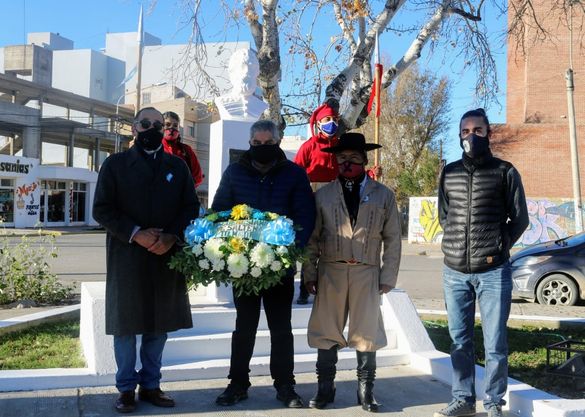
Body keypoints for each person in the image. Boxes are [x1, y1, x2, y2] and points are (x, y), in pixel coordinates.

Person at [93, 107, 199, 414]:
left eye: (159, 124)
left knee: (158, 325)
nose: (152, 128)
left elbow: (190, 208)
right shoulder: (115, 165)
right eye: (146, 123)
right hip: (127, 257)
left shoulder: (177, 167)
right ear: (134, 128)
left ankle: (151, 385)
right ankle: (126, 389)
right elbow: (101, 209)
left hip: (165, 257)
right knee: (125, 327)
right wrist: (136, 233)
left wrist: (171, 237)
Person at [212, 119, 316, 409]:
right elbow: (219, 212)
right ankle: (238, 384)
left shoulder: (294, 174)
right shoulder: (234, 172)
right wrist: (229, 248)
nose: (261, 149)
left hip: (279, 267)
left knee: (281, 329)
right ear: (250, 144)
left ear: (278, 142)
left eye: (267, 144)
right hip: (243, 265)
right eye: (256, 144)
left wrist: (288, 251)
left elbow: (305, 216)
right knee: (243, 327)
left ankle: (285, 385)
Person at [434, 109, 529, 417]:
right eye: (465, 131)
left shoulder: (505, 171)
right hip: (454, 271)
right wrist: (455, 247)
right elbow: (444, 216)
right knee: (459, 341)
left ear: (489, 133)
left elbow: (520, 219)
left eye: (477, 130)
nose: (470, 136)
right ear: (459, 135)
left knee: (495, 345)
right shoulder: (449, 172)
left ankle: (493, 403)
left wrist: (499, 247)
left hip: (493, 271)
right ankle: (462, 399)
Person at [302, 132, 402, 413]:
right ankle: (325, 389)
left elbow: (393, 238)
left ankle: (366, 390)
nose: (348, 162)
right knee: (325, 331)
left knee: (366, 331)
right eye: (342, 158)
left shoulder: (384, 195)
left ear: (365, 159)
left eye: (354, 158)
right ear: (335, 160)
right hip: (330, 271)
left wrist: (387, 277)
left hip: (367, 272)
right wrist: (309, 273)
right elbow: (311, 238)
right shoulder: (322, 195)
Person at [294, 103, 382, 305]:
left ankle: (335, 283)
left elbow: (351, 171)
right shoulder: (308, 146)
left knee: (335, 238)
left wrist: (370, 174)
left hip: (338, 194)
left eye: (334, 120)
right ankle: (304, 286)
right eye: (327, 120)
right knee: (311, 240)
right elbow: (296, 172)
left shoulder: (342, 146)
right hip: (312, 194)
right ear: (318, 123)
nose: (331, 123)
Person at [162, 111, 204, 188]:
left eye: (175, 125)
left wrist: (184, 187)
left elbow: (197, 177)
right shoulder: (153, 148)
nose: (171, 128)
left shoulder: (186, 150)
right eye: (167, 125)